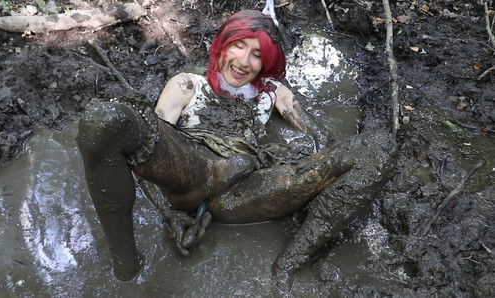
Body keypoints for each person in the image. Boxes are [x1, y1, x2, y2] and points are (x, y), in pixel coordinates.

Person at [77, 9, 397, 292]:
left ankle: (291, 261)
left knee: (378, 147)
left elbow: (315, 130)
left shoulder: (270, 93)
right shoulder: (187, 85)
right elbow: (150, 151)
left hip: (247, 190)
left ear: (266, 62)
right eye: (239, 45)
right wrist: (170, 214)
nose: (244, 61)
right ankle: (126, 267)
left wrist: (318, 163)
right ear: (223, 46)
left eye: (257, 54)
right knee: (105, 120)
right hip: (192, 173)